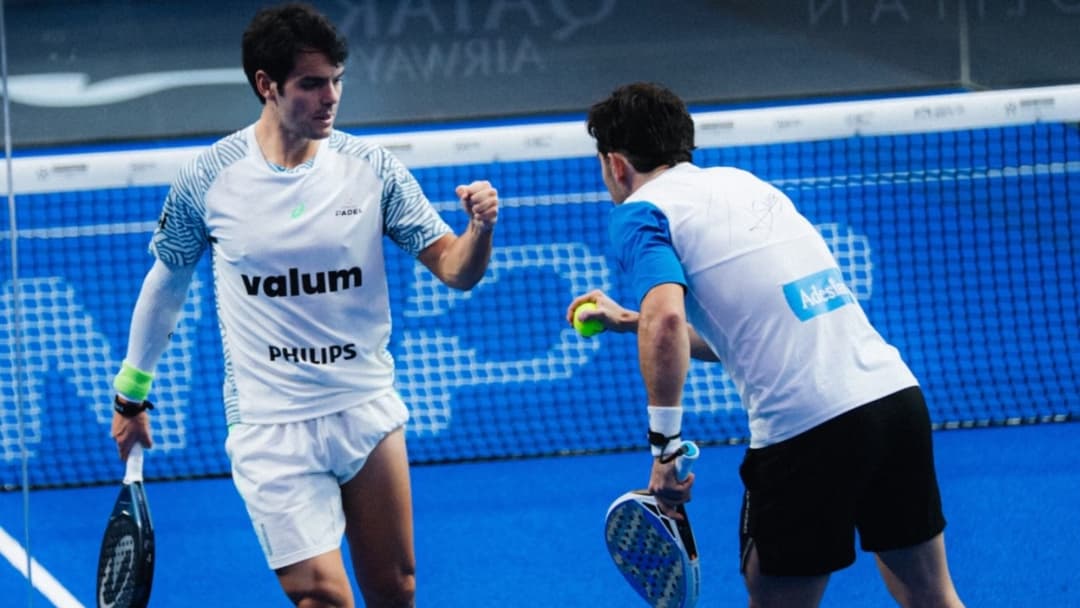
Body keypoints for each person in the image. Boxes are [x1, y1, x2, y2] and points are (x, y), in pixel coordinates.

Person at [108, 3, 498, 607]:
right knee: (322, 597)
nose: (331, 97)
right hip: (270, 425)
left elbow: (454, 269)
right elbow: (167, 282)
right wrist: (131, 394)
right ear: (267, 85)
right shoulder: (209, 177)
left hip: (363, 408)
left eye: (337, 80)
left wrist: (479, 233)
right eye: (312, 84)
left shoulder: (372, 169)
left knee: (397, 591)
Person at [566, 82, 964, 608]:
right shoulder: (745, 184)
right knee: (931, 595)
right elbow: (735, 329)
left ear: (616, 165)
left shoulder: (640, 211)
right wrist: (631, 321)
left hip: (805, 429)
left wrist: (665, 450)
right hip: (894, 402)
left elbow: (664, 325)